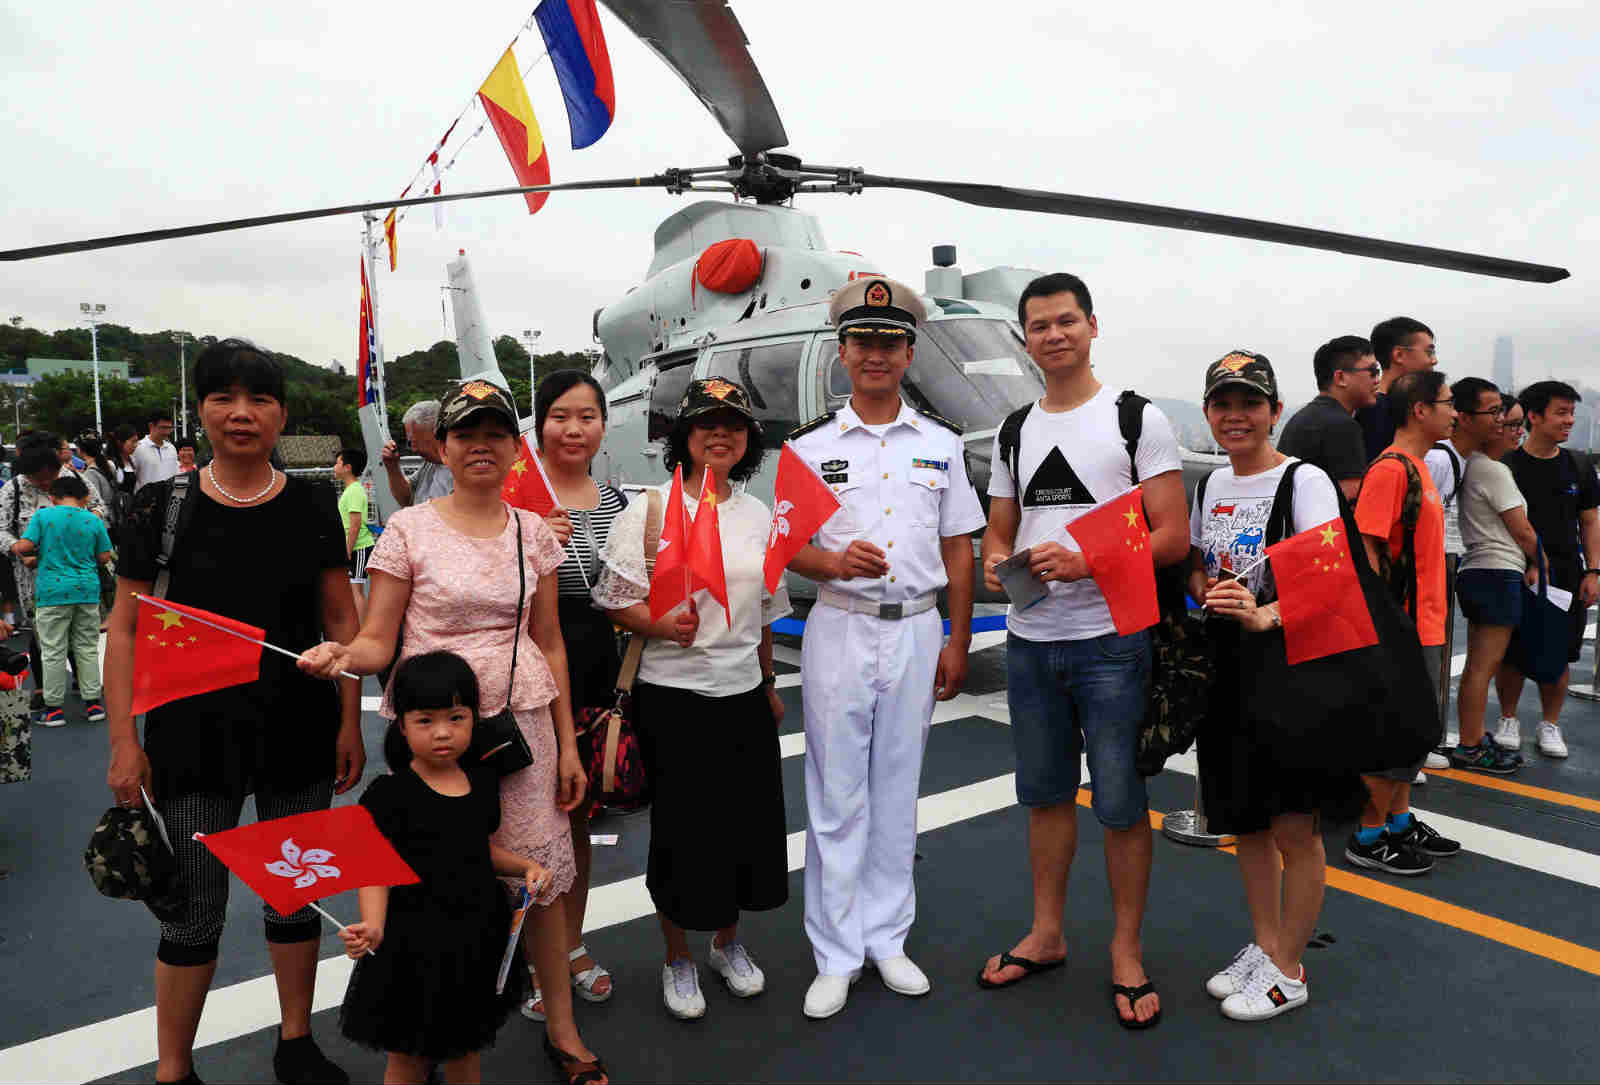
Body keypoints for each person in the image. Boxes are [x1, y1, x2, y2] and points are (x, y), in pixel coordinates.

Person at [298, 379, 603, 1083]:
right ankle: (428, 1022)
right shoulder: (407, 529)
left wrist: (567, 743)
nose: (482, 447)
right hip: (436, 721)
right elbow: (378, 638)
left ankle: (560, 1026)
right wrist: (343, 655)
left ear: (512, 446)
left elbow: (549, 639)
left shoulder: (533, 530)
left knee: (543, 882)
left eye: (497, 434)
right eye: (467, 434)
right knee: (432, 878)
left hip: (519, 721)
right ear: (443, 444)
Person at [104, 339, 363, 1085]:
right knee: (191, 909)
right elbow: (124, 627)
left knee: (296, 890)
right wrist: (123, 739)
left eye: (259, 399)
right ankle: (174, 1068)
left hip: (298, 731)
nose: (242, 414)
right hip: (189, 737)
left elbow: (341, 623)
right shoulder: (161, 506)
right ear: (201, 410)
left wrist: (349, 720)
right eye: (223, 397)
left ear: (283, 413)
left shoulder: (314, 503)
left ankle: (295, 1038)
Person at [975, 273, 1189, 1028]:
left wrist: (1089, 560)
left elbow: (1172, 535)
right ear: (1025, 338)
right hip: (1031, 642)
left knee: (1122, 803)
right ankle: (1048, 932)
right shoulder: (1013, 429)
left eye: (1066, 321)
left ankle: (1126, 950)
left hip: (1112, 641)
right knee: (1043, 795)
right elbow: (1001, 528)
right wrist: (1002, 561)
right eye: (1038, 325)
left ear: (1092, 326)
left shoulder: (1136, 418)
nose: (1053, 335)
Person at [785, 276, 986, 1021]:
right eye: (863, 342)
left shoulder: (940, 443)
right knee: (836, 795)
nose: (876, 354)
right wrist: (832, 563)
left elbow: (958, 549)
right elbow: (788, 547)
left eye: (889, 343)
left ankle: (887, 938)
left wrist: (958, 638)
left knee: (898, 793)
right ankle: (835, 953)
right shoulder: (808, 447)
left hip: (917, 626)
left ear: (908, 353)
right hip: (839, 621)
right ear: (843, 354)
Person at [595, 377, 791, 1021]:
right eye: (705, 424)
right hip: (672, 698)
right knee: (682, 835)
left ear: (748, 440)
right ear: (682, 437)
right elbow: (613, 598)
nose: (719, 433)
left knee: (744, 827)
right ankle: (677, 957)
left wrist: (767, 685)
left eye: (732, 424)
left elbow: (764, 612)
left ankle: (727, 944)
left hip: (741, 695)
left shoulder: (757, 513)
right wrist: (655, 624)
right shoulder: (650, 508)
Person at [1186, 351, 1361, 1022]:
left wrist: (1265, 612)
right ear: (1208, 412)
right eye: (1223, 403)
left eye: (1250, 403)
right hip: (1230, 665)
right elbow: (1210, 563)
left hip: (1291, 667)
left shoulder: (1303, 479)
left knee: (1295, 825)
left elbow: (1331, 577)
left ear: (1275, 411)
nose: (1236, 415)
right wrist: (1208, 591)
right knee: (1247, 820)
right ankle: (1265, 944)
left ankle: (1291, 965)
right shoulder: (1212, 486)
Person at [337, 651, 555, 1085]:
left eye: (456, 718)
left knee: (465, 1052)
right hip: (412, 945)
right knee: (408, 1060)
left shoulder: (481, 782)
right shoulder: (391, 795)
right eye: (425, 720)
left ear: (474, 718)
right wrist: (374, 925)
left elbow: (473, 850)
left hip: (475, 937)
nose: (443, 733)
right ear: (401, 724)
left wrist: (522, 865)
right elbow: (376, 870)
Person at [523, 369, 627, 1022]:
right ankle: (532, 957)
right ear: (540, 426)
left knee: (576, 816)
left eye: (586, 416)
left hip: (594, 667)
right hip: (527, 666)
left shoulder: (617, 500)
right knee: (525, 827)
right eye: (560, 415)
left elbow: (627, 590)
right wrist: (535, 538)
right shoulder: (515, 497)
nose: (573, 428)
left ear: (602, 426)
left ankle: (572, 944)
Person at [1347, 370, 1462, 875]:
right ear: (1419, 409)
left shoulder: (1417, 468)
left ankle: (1397, 821)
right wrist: (1384, 628)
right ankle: (1368, 835)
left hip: (1428, 624)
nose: (1454, 412)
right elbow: (1366, 548)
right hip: (1403, 628)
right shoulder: (1392, 470)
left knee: (1414, 733)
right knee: (1394, 732)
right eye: (1447, 402)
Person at [1493, 381, 1600, 759]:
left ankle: (1550, 724)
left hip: (1567, 572)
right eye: (1561, 412)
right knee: (1511, 652)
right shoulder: (1507, 467)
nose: (1569, 420)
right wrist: (1526, 564)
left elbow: (1589, 522)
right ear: (1534, 417)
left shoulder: (1580, 466)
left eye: (1572, 413)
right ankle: (1508, 718)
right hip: (1516, 569)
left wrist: (1594, 571)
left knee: (1561, 651)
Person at [1451, 386, 1539, 775]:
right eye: (1505, 421)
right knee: (1483, 667)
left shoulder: (1473, 465)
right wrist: (1543, 565)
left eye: (1516, 422)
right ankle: (1471, 744)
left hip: (1479, 570)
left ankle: (1473, 736)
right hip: (1497, 571)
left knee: (1478, 665)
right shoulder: (1492, 469)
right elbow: (1522, 531)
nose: (1512, 429)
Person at [0, 432, 107, 711]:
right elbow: (2, 530)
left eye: (51, 477)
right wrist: (17, 549)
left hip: (73, 575)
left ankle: (73, 692)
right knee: (45, 634)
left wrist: (81, 525)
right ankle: (52, 688)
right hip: (34, 578)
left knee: (61, 639)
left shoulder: (75, 479)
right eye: (39, 479)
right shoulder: (12, 489)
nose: (47, 484)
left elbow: (98, 508)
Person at [14, 475, 111, 727]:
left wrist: (22, 549)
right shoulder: (93, 519)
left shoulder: (44, 516)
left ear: (54, 496)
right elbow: (104, 556)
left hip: (53, 593)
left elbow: (24, 546)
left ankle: (54, 709)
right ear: (84, 498)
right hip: (87, 591)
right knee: (87, 647)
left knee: (53, 650)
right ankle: (93, 704)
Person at [1277, 336, 1379, 503]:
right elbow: (1349, 501)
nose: (1377, 380)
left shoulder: (1303, 418)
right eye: (1372, 372)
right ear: (1340, 378)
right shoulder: (1342, 426)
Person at [1356, 317, 1437, 462]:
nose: (1434, 360)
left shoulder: (1404, 407)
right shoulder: (1375, 410)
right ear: (1399, 355)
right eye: (1429, 352)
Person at [380, 399, 455, 507]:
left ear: (433, 433)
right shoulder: (430, 464)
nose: (413, 449)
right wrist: (392, 467)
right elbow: (405, 500)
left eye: (412, 441)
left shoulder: (461, 469)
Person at [332, 447, 375, 622]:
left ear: (347, 467)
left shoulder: (355, 491)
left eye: (337, 463)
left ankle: (361, 631)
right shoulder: (351, 490)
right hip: (355, 546)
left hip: (359, 547)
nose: (334, 467)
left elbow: (355, 524)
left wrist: (347, 550)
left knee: (356, 591)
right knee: (352, 590)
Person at [79, 434, 122, 535]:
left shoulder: (90, 473)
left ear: (81, 451)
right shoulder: (109, 464)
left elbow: (95, 501)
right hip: (115, 517)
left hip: (104, 522)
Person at [132, 409, 179, 491]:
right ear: (151, 426)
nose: (167, 432)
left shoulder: (172, 449)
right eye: (163, 428)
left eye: (169, 428)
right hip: (145, 501)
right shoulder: (138, 448)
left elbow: (175, 476)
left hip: (167, 500)